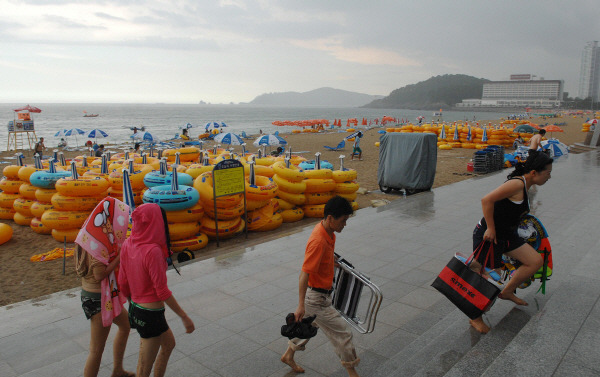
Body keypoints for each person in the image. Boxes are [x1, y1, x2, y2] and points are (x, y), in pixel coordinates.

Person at [468, 152, 552, 334]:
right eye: (547, 173)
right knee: (489, 280)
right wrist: (490, 227)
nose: (549, 176)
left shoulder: (525, 185)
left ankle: (507, 291)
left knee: (535, 261)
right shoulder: (517, 184)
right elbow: (486, 200)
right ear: (534, 173)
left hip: (507, 235)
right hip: (489, 235)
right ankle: (475, 317)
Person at [281, 196, 361, 376]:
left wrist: (331, 261)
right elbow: (304, 274)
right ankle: (353, 374)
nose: (345, 225)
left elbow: (323, 255)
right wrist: (300, 305)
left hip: (320, 295)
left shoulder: (328, 232)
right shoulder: (318, 240)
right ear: (331, 218)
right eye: (343, 220)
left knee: (309, 328)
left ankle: (288, 355)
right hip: (316, 299)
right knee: (343, 334)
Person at [118, 203, 195, 377]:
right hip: (151, 314)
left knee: (169, 344)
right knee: (143, 369)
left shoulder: (128, 244)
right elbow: (162, 291)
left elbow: (122, 282)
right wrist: (184, 317)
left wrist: (133, 303)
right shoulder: (152, 251)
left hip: (137, 309)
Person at [75, 245, 134, 377]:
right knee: (96, 350)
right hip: (99, 299)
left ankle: (118, 370)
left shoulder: (86, 234)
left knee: (125, 325)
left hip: (96, 295)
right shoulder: (97, 239)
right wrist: (119, 257)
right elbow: (99, 274)